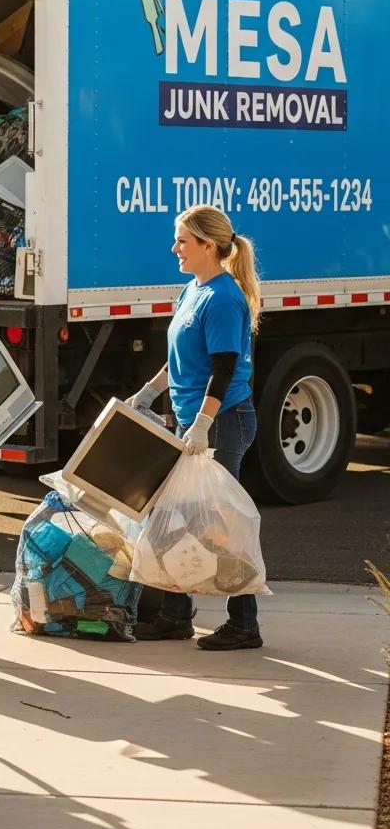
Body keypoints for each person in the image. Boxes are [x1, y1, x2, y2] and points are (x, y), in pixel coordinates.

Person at [127, 204, 264, 650]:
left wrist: (203, 423)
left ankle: (245, 625)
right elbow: (181, 358)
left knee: (221, 526)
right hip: (196, 421)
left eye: (183, 241)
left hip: (223, 423)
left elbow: (223, 370)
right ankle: (175, 615)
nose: (175, 248)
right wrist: (148, 392)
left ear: (208, 245)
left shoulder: (224, 298)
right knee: (179, 520)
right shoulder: (193, 290)